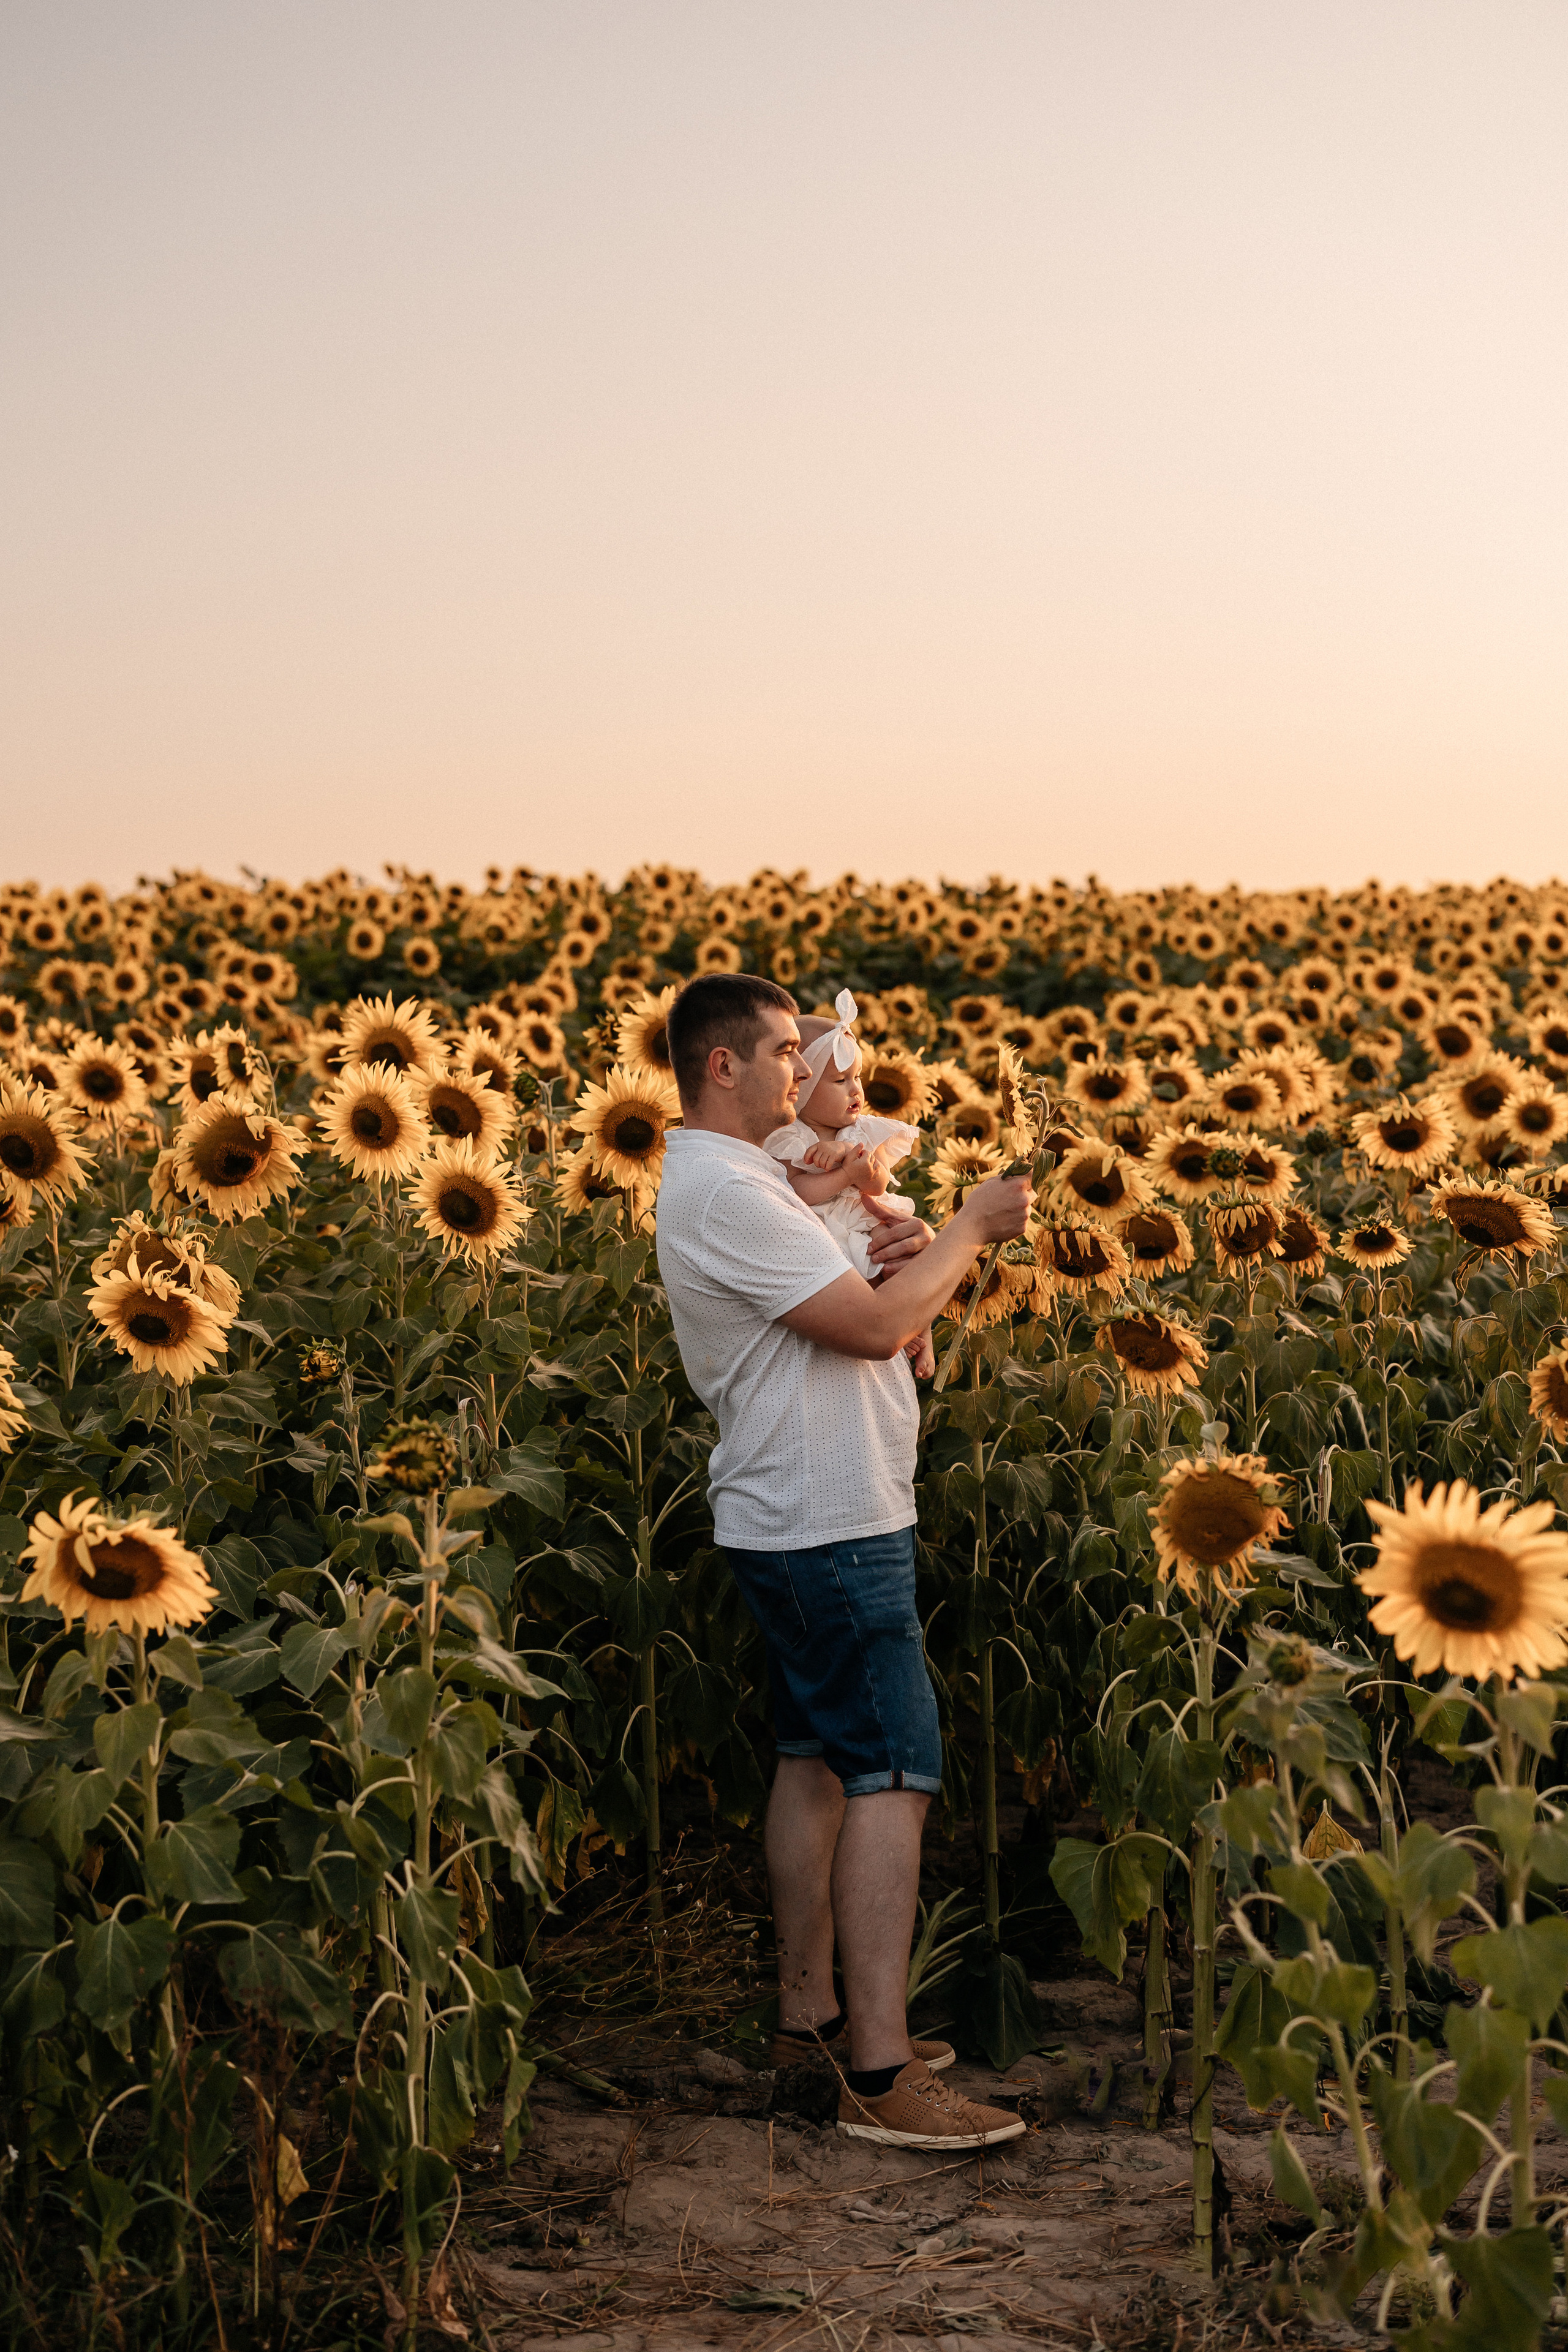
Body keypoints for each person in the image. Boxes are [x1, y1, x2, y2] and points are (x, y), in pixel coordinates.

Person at [655, 971, 1031, 2150]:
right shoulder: (729, 1193)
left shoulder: (758, 1181)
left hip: (807, 1509)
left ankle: (807, 2017)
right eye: (780, 1049)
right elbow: (868, 1331)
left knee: (816, 1758)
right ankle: (878, 2071)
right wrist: (970, 1228)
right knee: (893, 1770)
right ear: (724, 1065)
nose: (799, 1065)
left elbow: (877, 1311)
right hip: (825, 1521)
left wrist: (916, 1259)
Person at [762, 987, 935, 1379]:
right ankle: (901, 1327)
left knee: (912, 1265)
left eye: (857, 1078)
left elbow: (877, 1185)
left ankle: (923, 1330)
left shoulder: (862, 1132)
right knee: (868, 1275)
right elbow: (799, 1194)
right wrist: (842, 1176)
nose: (856, 1090)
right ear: (801, 1084)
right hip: (830, 1234)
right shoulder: (792, 1141)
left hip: (866, 1220)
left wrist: (860, 1169)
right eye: (840, 1080)